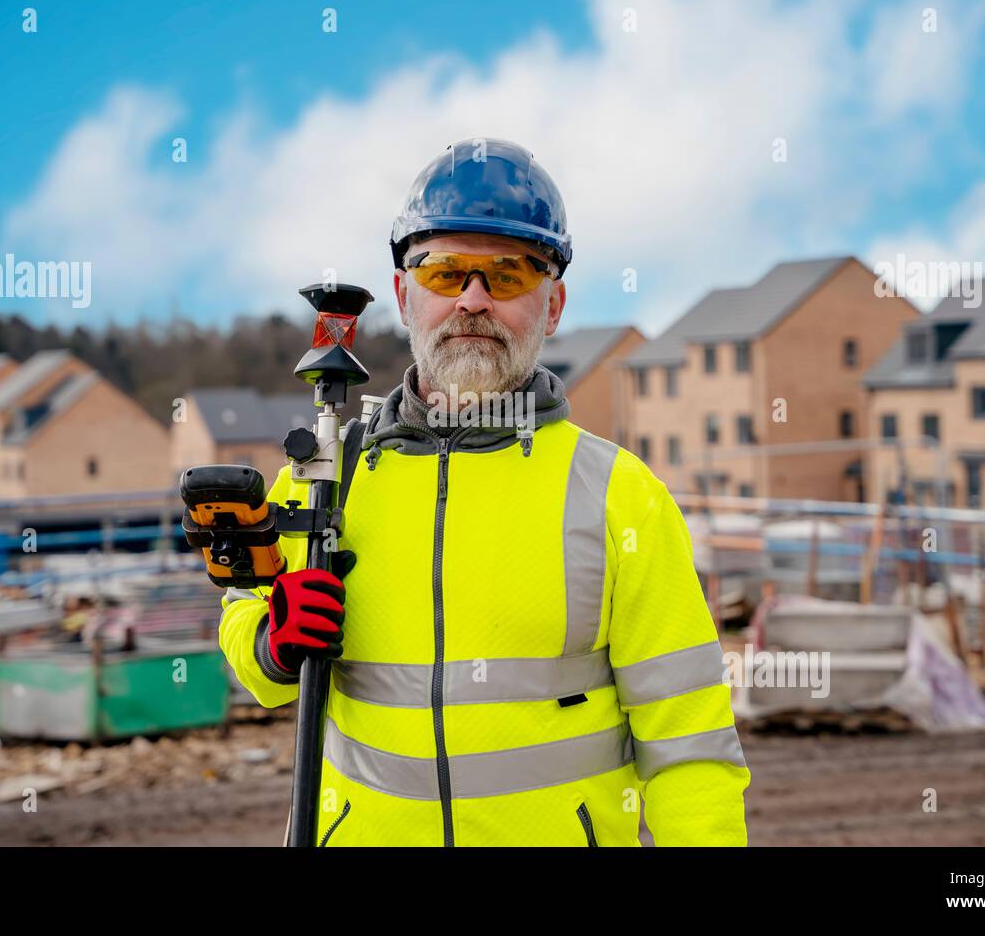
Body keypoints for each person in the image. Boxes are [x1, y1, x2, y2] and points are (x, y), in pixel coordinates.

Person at [219, 138, 750, 846]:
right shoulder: (326, 475)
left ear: (552, 305)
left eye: (507, 275)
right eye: (444, 273)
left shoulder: (620, 497)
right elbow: (249, 635)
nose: (472, 300)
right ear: (405, 296)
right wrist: (273, 645)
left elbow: (689, 744)